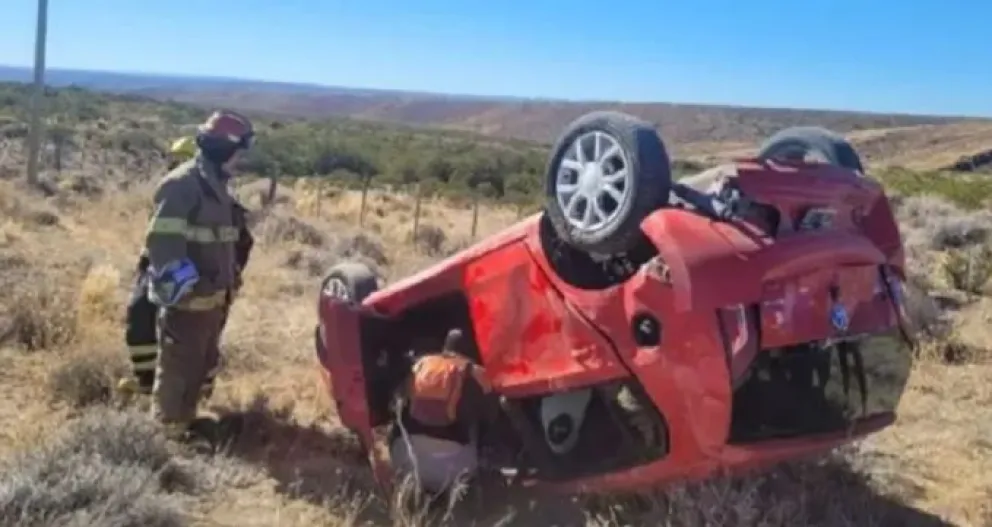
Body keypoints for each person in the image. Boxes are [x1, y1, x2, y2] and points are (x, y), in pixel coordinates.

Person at [140, 109, 256, 439]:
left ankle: (187, 423)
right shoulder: (182, 186)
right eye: (239, 151)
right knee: (178, 369)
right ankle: (167, 439)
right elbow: (163, 244)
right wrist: (185, 292)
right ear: (225, 150)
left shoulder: (217, 186)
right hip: (191, 304)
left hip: (214, 301)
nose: (241, 159)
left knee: (200, 366)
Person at [388, 329, 499, 494]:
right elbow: (492, 419)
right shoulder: (477, 375)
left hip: (403, 460)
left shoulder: (419, 365)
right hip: (453, 471)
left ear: (445, 348)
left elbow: (393, 407)